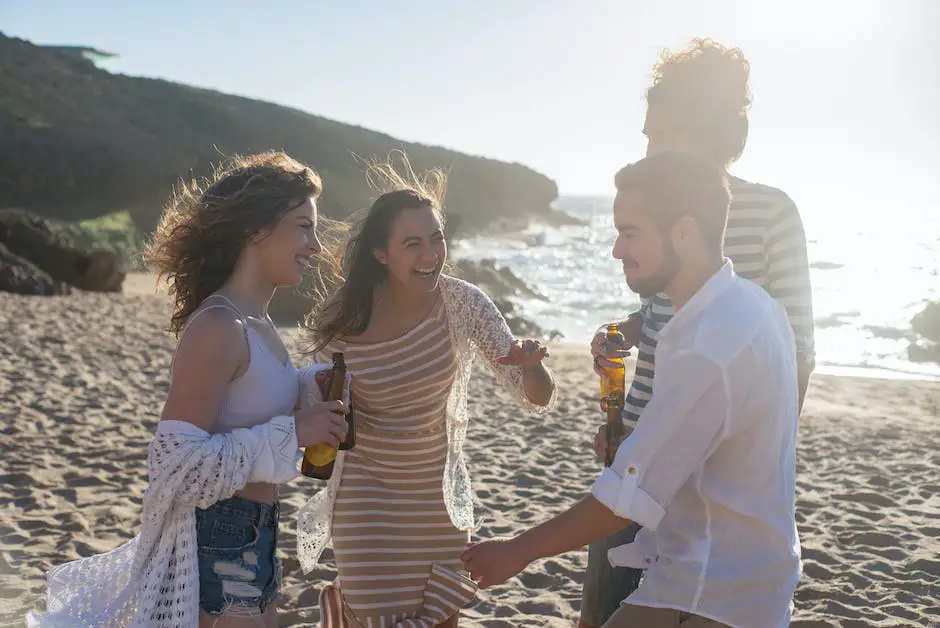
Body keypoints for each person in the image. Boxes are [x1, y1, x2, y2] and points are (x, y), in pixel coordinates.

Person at [462, 151, 803, 628]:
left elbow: (626, 498)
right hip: (732, 578)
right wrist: (643, 443)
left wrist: (516, 551)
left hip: (715, 593)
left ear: (684, 232)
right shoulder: (756, 307)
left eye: (630, 232)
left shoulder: (709, 343)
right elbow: (713, 445)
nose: (617, 251)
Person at [26, 152, 350, 628]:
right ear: (254, 230)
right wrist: (293, 433)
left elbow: (248, 404)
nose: (316, 246)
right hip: (218, 535)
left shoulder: (258, 325)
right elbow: (173, 463)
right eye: (304, 226)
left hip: (257, 532)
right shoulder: (219, 326)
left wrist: (308, 387)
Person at [579, 38, 816, 628]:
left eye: (654, 134)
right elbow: (668, 312)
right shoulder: (659, 209)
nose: (647, 147)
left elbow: (796, 349)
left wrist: (757, 466)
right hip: (639, 447)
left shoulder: (771, 212)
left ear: (696, 129)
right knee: (603, 610)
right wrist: (628, 332)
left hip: (711, 476)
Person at [295, 157, 557, 628]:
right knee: (373, 616)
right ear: (381, 254)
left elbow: (534, 395)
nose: (430, 255)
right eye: (412, 243)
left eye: (436, 239)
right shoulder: (343, 317)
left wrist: (532, 366)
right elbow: (317, 403)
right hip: (367, 498)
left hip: (435, 499)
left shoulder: (463, 303)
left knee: (439, 620)